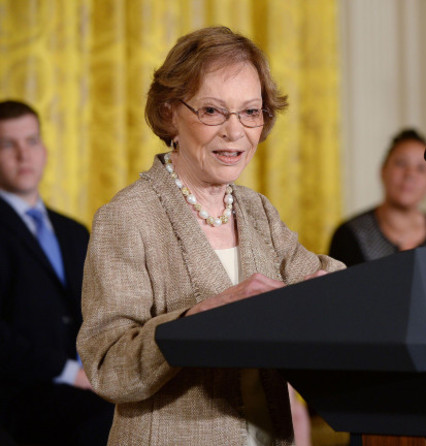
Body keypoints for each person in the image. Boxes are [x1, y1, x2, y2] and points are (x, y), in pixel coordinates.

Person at [76, 26, 345, 446]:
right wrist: (197, 321)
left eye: (250, 112)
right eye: (213, 111)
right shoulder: (128, 217)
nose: (234, 131)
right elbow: (108, 366)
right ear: (169, 113)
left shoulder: (257, 211)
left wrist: (329, 291)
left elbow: (322, 280)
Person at [0, 100, 113, 445]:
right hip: (22, 398)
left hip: (88, 386)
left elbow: (99, 310)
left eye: (32, 141)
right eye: (7, 145)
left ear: (45, 149)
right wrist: (68, 372)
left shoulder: (74, 232)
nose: (24, 155)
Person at [329, 128, 426, 266]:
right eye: (401, 163)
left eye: (421, 168)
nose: (410, 174)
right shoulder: (350, 235)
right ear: (383, 171)